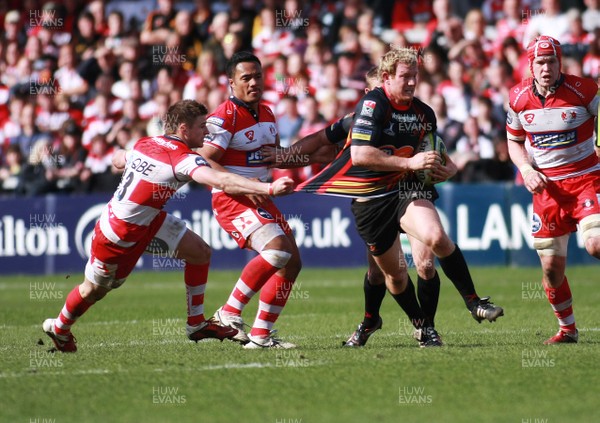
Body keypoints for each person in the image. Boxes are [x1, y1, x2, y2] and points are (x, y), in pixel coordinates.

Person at [265, 64, 504, 347]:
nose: (370, 96)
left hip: (409, 187)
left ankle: (430, 328)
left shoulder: (418, 113)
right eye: (369, 91)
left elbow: (434, 148)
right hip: (372, 197)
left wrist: (448, 168)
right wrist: (284, 157)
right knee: (387, 274)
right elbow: (320, 142)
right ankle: (372, 320)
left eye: (374, 89)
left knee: (427, 262)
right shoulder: (358, 119)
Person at [42, 100, 294, 353]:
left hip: (149, 219)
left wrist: (124, 160)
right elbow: (221, 180)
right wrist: (268, 188)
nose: (207, 132)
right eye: (201, 127)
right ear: (184, 129)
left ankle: (196, 324)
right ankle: (60, 327)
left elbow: (119, 157)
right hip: (118, 234)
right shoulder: (182, 159)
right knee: (95, 290)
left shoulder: (147, 143)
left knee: (199, 252)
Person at [198, 52, 302, 349]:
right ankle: (228, 311)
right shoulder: (223, 117)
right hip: (231, 198)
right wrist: (244, 184)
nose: (254, 82)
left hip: (261, 196)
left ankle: (260, 335)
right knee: (278, 250)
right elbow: (203, 162)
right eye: (246, 78)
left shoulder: (268, 113)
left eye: (258, 76)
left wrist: (282, 158)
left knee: (291, 264)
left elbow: (267, 155)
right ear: (231, 83)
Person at [506, 36, 600, 344]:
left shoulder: (584, 90)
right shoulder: (518, 97)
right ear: (530, 66)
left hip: (586, 179)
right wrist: (526, 169)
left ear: (561, 63)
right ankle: (568, 329)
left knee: (595, 243)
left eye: (552, 61)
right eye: (540, 62)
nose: (547, 68)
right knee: (550, 268)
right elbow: (514, 141)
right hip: (547, 190)